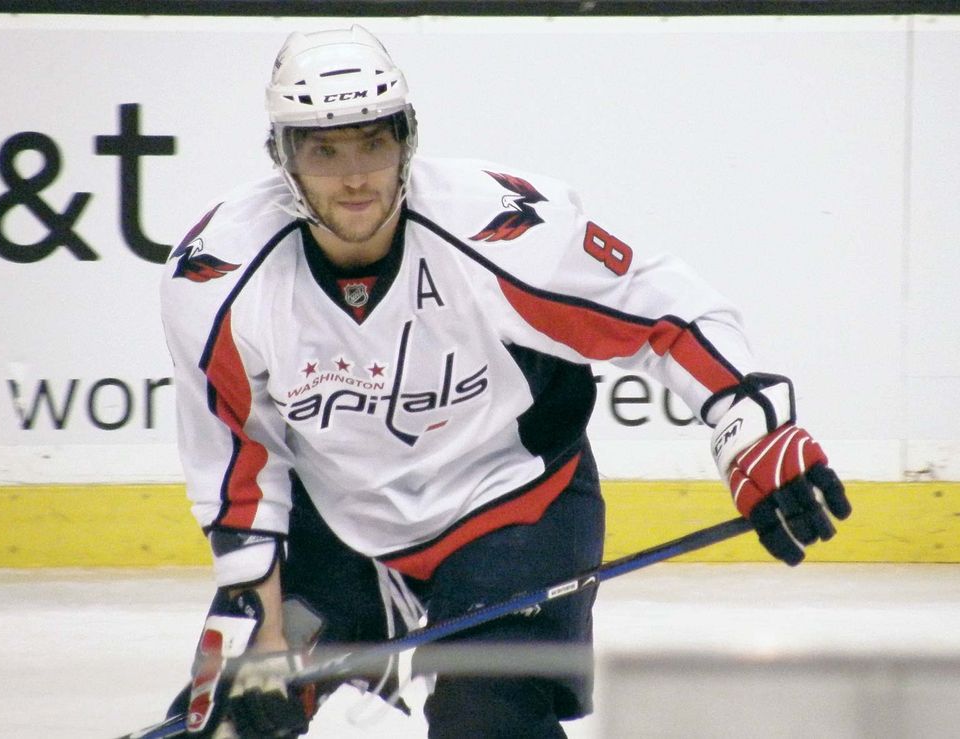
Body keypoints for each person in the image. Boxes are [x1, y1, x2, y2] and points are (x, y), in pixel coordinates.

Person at [159, 24, 851, 738]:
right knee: (225, 720)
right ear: (283, 157)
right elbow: (240, 461)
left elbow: (661, 313)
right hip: (341, 533)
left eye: (374, 142)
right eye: (324, 150)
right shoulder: (216, 276)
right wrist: (262, 631)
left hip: (515, 512)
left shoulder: (495, 228)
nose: (356, 175)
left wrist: (750, 429)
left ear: (408, 140)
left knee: (482, 718)